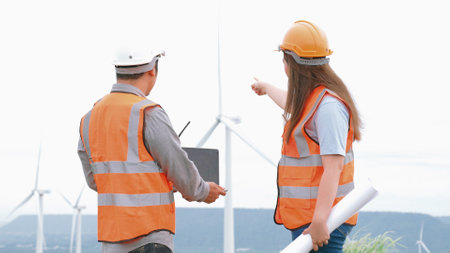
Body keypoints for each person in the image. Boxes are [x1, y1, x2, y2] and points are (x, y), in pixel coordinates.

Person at [77, 47, 226, 253]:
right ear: (152, 70)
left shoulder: (89, 118)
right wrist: (202, 190)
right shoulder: (148, 112)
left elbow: (97, 180)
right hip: (149, 238)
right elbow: (176, 165)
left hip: (111, 241)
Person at [251, 20, 362, 252]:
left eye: (284, 59)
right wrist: (267, 88)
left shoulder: (328, 107)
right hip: (311, 219)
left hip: (323, 221)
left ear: (291, 63)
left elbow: (334, 167)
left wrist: (321, 221)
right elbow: (293, 104)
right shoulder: (314, 100)